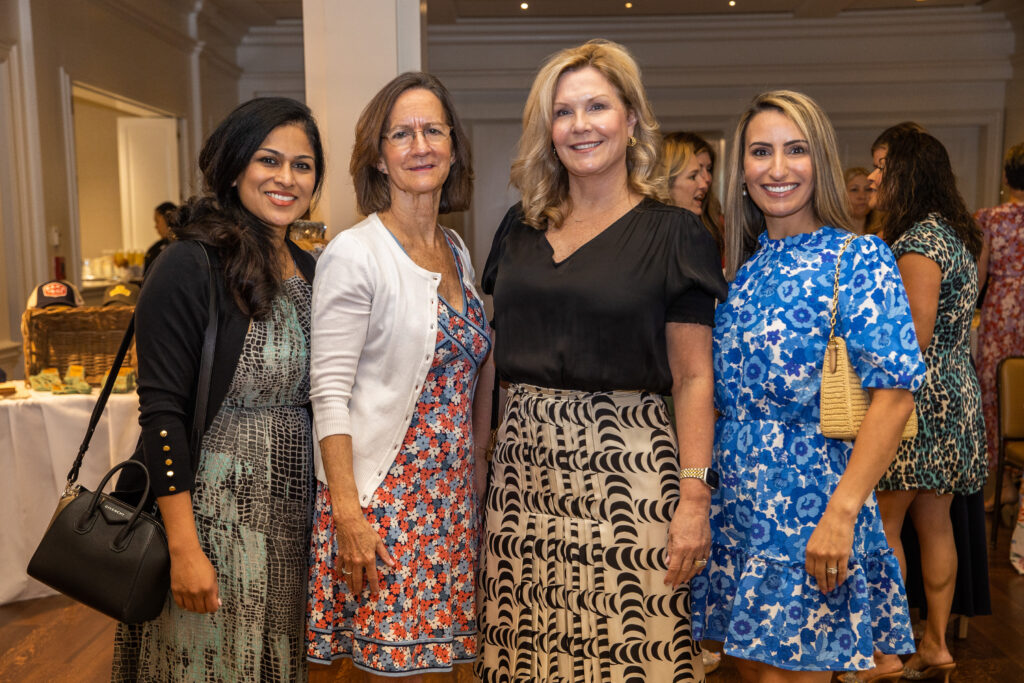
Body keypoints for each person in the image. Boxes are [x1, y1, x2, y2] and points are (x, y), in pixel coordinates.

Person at [478, 39, 727, 682]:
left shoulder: (676, 233)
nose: (580, 125)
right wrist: (479, 462)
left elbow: (695, 376)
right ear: (546, 128)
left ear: (632, 120)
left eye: (597, 106)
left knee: (629, 654)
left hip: (630, 479)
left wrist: (695, 498)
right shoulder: (518, 227)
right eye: (564, 112)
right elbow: (489, 353)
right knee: (523, 657)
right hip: (522, 481)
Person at [690, 90, 926, 682]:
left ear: (818, 160)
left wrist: (843, 512)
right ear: (741, 172)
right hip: (740, 509)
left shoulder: (859, 257)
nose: (777, 168)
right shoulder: (744, 270)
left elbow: (894, 396)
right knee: (747, 672)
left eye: (795, 151)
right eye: (760, 152)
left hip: (813, 505)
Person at [111, 97, 323, 681]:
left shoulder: (310, 269)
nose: (287, 178)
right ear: (234, 168)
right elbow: (161, 413)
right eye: (269, 160)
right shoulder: (189, 265)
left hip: (290, 523)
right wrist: (184, 548)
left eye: (302, 166)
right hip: (211, 519)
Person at [305, 72, 492, 681]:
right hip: (385, 507)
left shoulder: (457, 250)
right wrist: (348, 516)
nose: (420, 145)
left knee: (441, 672)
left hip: (449, 504)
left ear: (454, 147)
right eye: (401, 133)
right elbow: (328, 394)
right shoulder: (355, 253)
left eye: (433, 130)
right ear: (379, 157)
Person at [867, 127, 987, 681]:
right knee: (936, 525)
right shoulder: (955, 235)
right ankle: (935, 644)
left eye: (882, 165)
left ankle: (884, 653)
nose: (873, 176)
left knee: (885, 525)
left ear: (910, 173)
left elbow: (911, 336)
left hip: (917, 399)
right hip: (955, 390)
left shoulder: (917, 241)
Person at [975, 142, 1024, 514]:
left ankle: (1006, 483)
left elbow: (978, 275)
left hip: (1001, 311)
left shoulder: (990, 218)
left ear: (1006, 177)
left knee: (996, 394)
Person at [659, 131, 725, 256]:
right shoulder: (649, 231)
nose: (707, 180)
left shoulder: (719, 226)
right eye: (695, 173)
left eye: (709, 169)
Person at [143, 201, 177, 274]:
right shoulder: (155, 248)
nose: (156, 226)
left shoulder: (180, 248)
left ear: (169, 220)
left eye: (157, 221)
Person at [844, 167, 875, 235]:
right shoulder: (832, 235)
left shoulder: (883, 235)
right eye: (854, 190)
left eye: (867, 189)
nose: (862, 196)